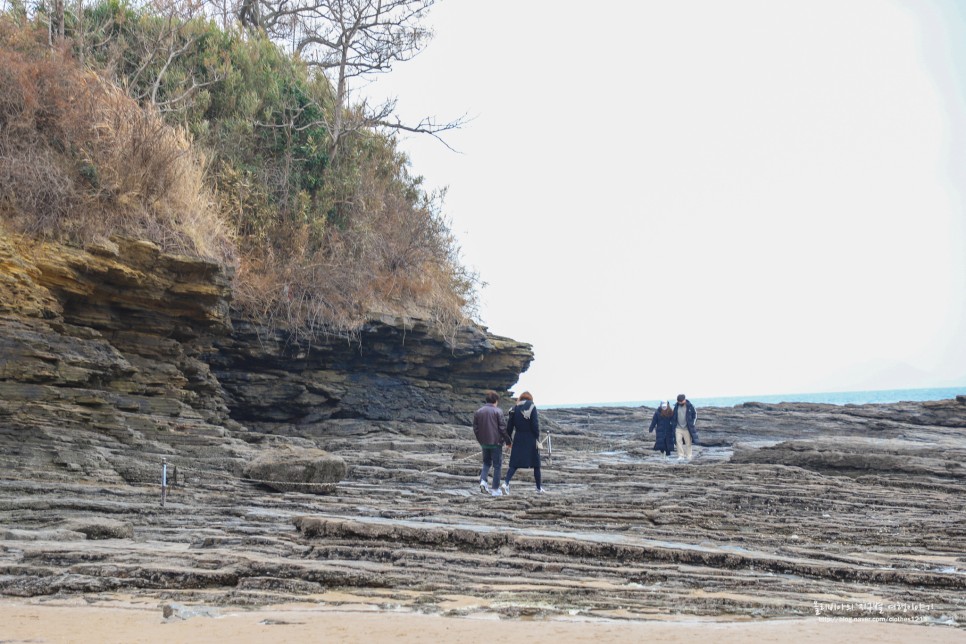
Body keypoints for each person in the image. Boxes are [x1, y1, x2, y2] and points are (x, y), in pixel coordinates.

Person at [501, 391, 544, 495]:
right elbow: (535, 424)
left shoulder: (513, 409)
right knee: (536, 464)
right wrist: (537, 436)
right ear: (530, 398)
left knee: (514, 463)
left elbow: (509, 428)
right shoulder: (532, 406)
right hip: (531, 438)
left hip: (518, 437)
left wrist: (508, 441)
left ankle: (506, 483)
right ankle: (538, 488)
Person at [473, 391, 510, 495]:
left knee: (486, 463)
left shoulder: (478, 412)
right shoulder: (497, 411)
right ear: (496, 401)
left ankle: (483, 481)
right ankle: (495, 489)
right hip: (496, 443)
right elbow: (502, 428)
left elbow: (475, 428)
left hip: (484, 443)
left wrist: (480, 440)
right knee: (497, 465)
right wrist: (508, 441)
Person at [670, 393, 698, 462]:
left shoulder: (690, 406)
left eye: (681, 401)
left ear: (684, 400)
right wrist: (672, 424)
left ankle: (689, 456)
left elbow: (695, 415)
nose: (680, 402)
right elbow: (673, 416)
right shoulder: (676, 406)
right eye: (679, 401)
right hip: (678, 428)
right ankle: (680, 456)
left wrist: (692, 424)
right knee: (678, 441)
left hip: (687, 428)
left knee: (688, 442)